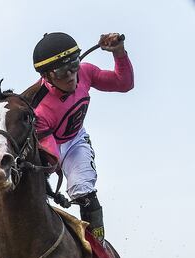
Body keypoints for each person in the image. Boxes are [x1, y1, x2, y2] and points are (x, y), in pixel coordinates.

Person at [31, 32, 133, 242]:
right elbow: (53, 160)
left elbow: (124, 84)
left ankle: (101, 253)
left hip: (75, 140)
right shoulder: (39, 109)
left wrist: (119, 53)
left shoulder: (85, 73)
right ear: (47, 76)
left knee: (82, 190)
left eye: (74, 65)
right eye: (61, 72)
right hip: (50, 147)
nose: (70, 76)